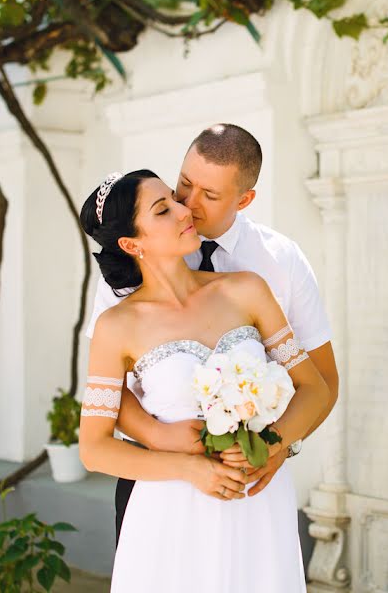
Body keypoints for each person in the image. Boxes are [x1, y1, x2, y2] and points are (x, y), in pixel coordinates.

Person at [84, 125, 340, 544]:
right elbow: (110, 388)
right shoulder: (127, 272)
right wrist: (162, 438)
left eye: (210, 195)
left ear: (243, 200)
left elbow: (322, 384)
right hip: (157, 479)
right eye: (183, 184)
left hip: (253, 481)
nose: (187, 204)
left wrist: (274, 448)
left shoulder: (275, 264)